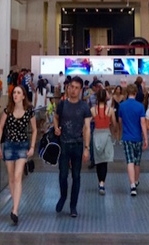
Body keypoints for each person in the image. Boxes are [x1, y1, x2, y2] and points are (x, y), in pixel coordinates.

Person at [0, 85, 37, 225]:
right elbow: (0, 128)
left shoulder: (29, 111)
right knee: (11, 177)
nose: (16, 95)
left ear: (23, 96)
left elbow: (35, 130)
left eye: (18, 93)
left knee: (18, 176)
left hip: (22, 146)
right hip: (9, 146)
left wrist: (32, 147)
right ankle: (15, 204)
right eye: (14, 93)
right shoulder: (8, 110)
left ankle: (15, 210)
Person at [52, 76, 92, 218]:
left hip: (78, 145)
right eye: (71, 87)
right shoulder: (62, 105)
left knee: (76, 176)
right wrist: (56, 127)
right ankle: (63, 196)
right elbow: (56, 117)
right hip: (63, 145)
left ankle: (73, 205)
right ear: (67, 88)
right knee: (63, 175)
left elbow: (87, 128)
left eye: (76, 88)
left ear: (81, 90)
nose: (73, 90)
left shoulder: (84, 107)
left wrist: (87, 148)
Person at [118, 83, 148, 196]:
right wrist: (145, 138)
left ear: (126, 93)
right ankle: (136, 180)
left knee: (129, 160)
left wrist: (121, 131)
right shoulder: (140, 106)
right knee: (137, 161)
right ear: (136, 93)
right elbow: (143, 123)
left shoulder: (122, 106)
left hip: (127, 137)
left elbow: (120, 121)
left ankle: (132, 186)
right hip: (138, 137)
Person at [90, 86, 115, 195]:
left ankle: (99, 180)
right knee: (104, 161)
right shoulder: (110, 110)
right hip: (106, 134)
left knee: (98, 160)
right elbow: (114, 124)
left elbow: (87, 122)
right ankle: (102, 183)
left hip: (96, 134)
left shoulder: (92, 110)